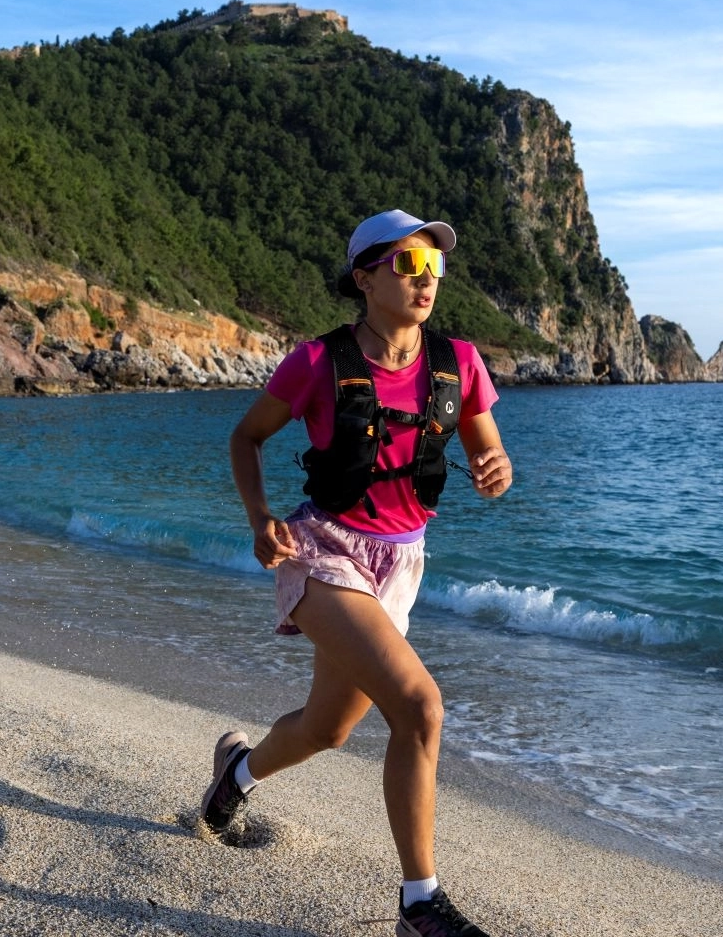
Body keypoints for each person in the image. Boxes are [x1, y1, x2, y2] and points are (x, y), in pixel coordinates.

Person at [204, 209, 512, 937]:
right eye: (407, 264)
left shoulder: (459, 362)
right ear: (365, 277)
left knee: (328, 728)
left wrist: (495, 469)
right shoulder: (318, 362)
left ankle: (235, 775)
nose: (425, 279)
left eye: (434, 266)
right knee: (420, 707)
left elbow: (487, 451)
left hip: (400, 563)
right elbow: (246, 437)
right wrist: (260, 519)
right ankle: (419, 903)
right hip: (322, 547)